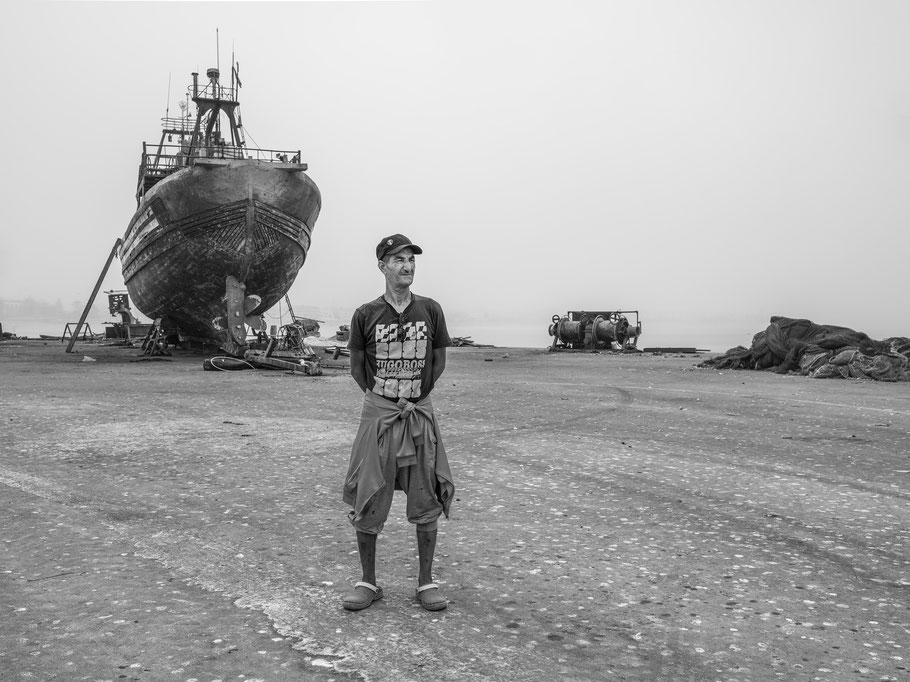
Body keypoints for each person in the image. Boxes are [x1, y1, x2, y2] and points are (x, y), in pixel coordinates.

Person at [341, 234, 455, 612]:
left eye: (411, 260)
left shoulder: (431, 310)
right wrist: (385, 400)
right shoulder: (365, 314)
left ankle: (426, 583)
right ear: (382, 266)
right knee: (369, 494)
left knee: (426, 494)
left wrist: (415, 397)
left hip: (418, 412)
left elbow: (437, 361)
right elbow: (358, 367)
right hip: (380, 415)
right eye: (398, 259)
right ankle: (368, 582)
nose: (406, 266)